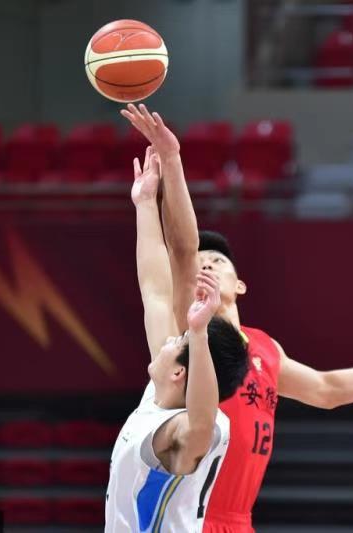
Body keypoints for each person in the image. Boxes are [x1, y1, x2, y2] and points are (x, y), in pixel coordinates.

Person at [122, 103, 353, 532]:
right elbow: (176, 259)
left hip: (238, 521)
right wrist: (169, 169)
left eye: (218, 261)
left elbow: (329, 389)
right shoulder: (185, 335)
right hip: (189, 516)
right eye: (200, 263)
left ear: (240, 285)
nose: (206, 264)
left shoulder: (264, 348)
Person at [104, 147, 248, 532]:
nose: (168, 340)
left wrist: (197, 334)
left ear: (181, 371)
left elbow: (201, 421)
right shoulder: (161, 394)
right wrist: (144, 204)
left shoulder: (186, 431)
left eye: (177, 341)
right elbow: (154, 289)